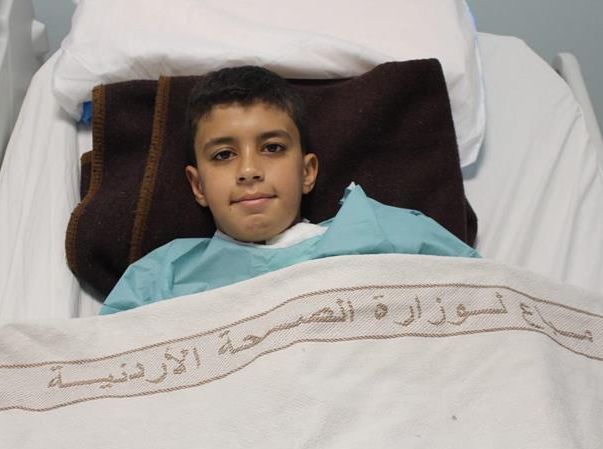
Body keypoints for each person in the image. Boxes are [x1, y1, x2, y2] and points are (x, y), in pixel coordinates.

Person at [99, 66, 478, 315]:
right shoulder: (161, 277)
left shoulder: (384, 232)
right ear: (198, 185)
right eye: (224, 154)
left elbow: (487, 303)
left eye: (272, 148)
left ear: (307, 172)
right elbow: (106, 370)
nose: (249, 171)